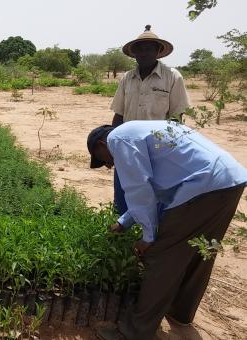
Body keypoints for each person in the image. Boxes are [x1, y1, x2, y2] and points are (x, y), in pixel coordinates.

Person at [86, 121, 246, 340]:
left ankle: (134, 332)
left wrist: (148, 237)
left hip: (204, 186)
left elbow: (139, 189)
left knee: (161, 258)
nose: (108, 166)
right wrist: (124, 222)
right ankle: (180, 313)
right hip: (230, 180)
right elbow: (156, 190)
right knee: (199, 252)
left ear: (103, 143)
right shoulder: (141, 130)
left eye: (103, 159)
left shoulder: (119, 139)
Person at [110, 25, 191, 215]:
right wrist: (113, 146)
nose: (144, 52)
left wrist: (171, 153)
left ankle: (152, 237)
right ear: (134, 53)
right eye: (140, 48)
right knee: (123, 194)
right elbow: (119, 115)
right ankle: (121, 231)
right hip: (128, 147)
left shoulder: (172, 77)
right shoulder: (127, 79)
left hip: (158, 148)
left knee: (156, 196)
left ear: (158, 52)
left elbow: (176, 118)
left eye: (149, 48)